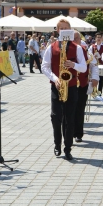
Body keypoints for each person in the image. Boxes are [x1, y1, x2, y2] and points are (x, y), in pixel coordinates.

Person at [41, 19, 87, 160]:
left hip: (72, 86)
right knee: (55, 117)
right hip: (57, 85)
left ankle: (68, 148)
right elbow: (44, 66)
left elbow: (84, 67)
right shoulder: (52, 47)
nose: (63, 30)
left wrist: (73, 64)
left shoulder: (77, 47)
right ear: (57, 30)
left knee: (69, 119)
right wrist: (55, 79)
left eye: (66, 28)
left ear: (71, 30)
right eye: (61, 28)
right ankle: (57, 144)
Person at [73, 31, 98, 143]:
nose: (74, 41)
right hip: (69, 84)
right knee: (69, 110)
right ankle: (70, 132)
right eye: (72, 39)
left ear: (80, 40)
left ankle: (78, 133)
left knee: (79, 109)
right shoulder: (66, 51)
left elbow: (94, 65)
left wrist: (95, 78)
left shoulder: (85, 51)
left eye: (76, 39)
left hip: (82, 84)